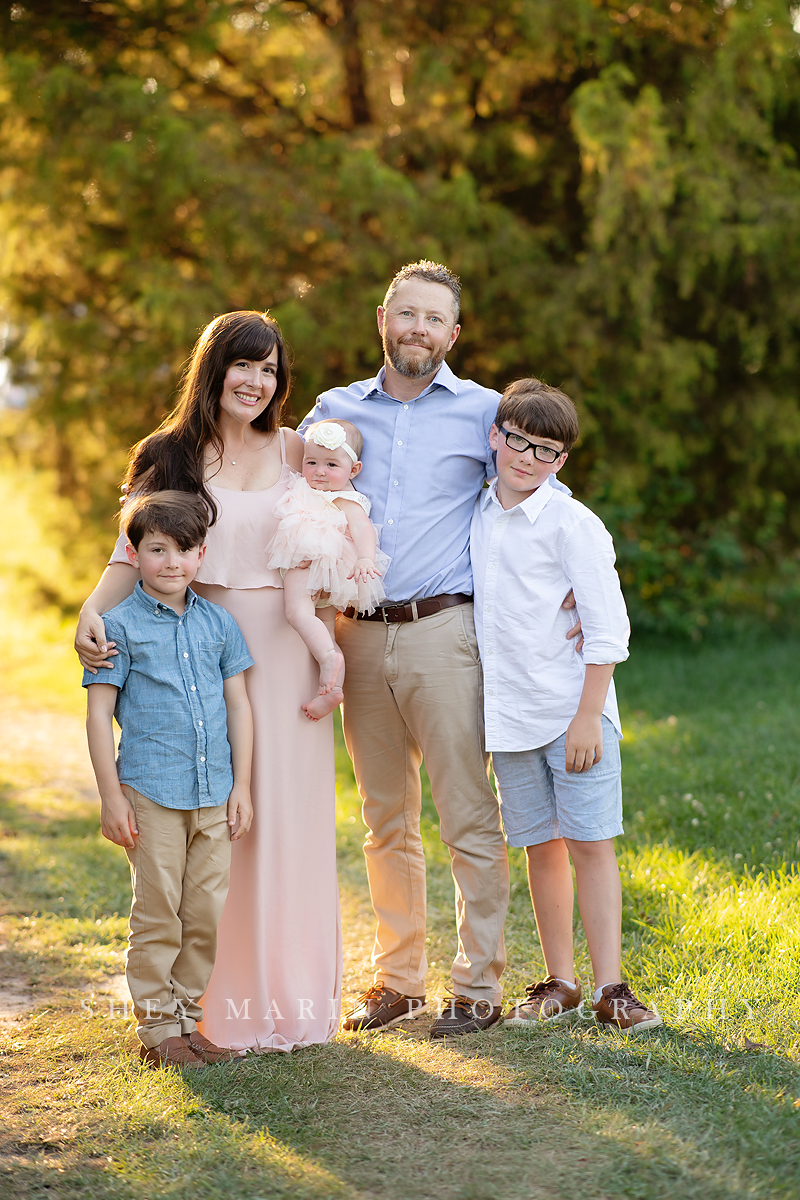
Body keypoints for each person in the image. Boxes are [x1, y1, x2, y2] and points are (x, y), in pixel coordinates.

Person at [300, 260, 580, 1038]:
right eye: (407, 314)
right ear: (382, 320)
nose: (418, 329)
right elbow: (286, 506)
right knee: (384, 817)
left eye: (434, 319)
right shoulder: (332, 412)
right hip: (357, 636)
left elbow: (539, 492)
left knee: (466, 814)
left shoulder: (488, 414)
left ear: (452, 335)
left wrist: (575, 592)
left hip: (446, 635)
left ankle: (477, 986)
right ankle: (398, 981)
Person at [75, 311, 342, 1052]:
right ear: (214, 368)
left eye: (270, 369)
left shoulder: (297, 450)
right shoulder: (170, 453)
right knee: (208, 826)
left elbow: (347, 522)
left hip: (285, 652)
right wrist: (87, 613)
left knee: (279, 818)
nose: (257, 382)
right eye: (243, 365)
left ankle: (286, 1001)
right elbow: (128, 554)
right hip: (195, 649)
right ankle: (198, 1009)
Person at [471, 378, 661, 1033]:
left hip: (572, 713)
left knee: (589, 845)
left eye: (544, 450)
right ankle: (561, 981)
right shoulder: (477, 512)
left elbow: (607, 629)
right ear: (496, 437)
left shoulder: (572, 524)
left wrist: (588, 716)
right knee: (540, 849)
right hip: (511, 717)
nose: (526, 458)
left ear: (562, 461)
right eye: (517, 441)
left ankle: (613, 986)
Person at [83, 491, 255, 1069]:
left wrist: (244, 786)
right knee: (159, 910)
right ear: (133, 553)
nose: (172, 562)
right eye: (157, 550)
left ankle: (187, 1019)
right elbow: (98, 714)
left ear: (202, 553)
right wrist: (111, 797)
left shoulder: (219, 623)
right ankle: (158, 1032)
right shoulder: (118, 627)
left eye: (184, 550)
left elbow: (240, 708)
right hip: (151, 790)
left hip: (214, 793)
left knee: (203, 912)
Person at [267, 418, 389, 721]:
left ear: (354, 470)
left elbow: (363, 529)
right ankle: (334, 690)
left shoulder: (346, 498)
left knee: (296, 612)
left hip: (313, 557)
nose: (320, 471)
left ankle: (327, 658)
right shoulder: (305, 486)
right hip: (329, 570)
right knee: (326, 628)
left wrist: (365, 559)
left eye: (331, 464)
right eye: (312, 462)